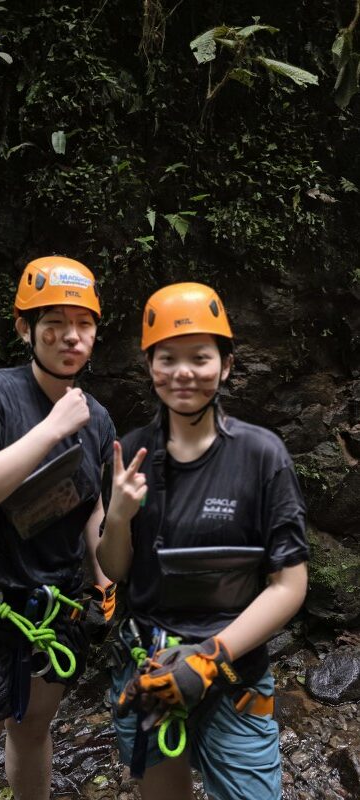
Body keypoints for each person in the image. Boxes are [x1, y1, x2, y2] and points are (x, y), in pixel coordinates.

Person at [97, 282, 309, 800]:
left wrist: (211, 656)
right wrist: (120, 516)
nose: (183, 372)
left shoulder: (263, 455)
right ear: (150, 367)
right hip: (150, 666)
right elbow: (115, 568)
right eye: (167, 358)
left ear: (227, 365)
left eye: (200, 357)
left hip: (233, 670)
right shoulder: (134, 453)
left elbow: (289, 582)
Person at [0, 256, 116, 800]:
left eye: (84, 324)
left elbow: (90, 503)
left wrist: (102, 576)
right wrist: (53, 427)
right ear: (24, 327)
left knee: (32, 735)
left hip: (53, 609)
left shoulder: (97, 418)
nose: (71, 337)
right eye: (53, 322)